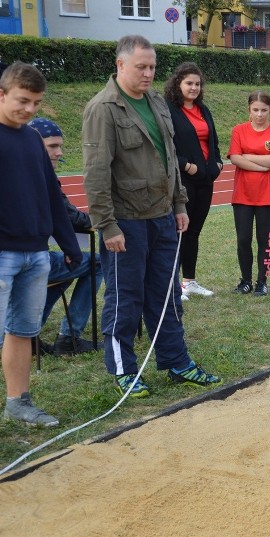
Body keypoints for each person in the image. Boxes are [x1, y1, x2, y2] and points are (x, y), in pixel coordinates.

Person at [83, 35, 220, 398]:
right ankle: (125, 370)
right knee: (125, 298)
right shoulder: (103, 109)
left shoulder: (158, 103)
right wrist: (107, 226)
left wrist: (179, 204)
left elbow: (169, 160)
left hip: (162, 217)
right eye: (141, 67)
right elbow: (96, 174)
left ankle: (177, 361)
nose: (148, 73)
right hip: (125, 222)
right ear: (120, 65)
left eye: (152, 67)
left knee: (168, 295)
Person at [0, 62, 82, 426]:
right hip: (2, 253)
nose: (30, 109)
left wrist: (68, 243)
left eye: (36, 102)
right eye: (22, 100)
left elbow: (52, 194)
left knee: (22, 330)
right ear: (2, 94)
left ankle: (18, 402)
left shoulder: (32, 138)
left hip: (35, 253)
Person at [28, 117, 103, 355]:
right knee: (95, 262)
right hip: (27, 260)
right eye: (52, 146)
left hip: (22, 257)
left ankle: (30, 333)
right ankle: (69, 336)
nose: (59, 152)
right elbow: (68, 217)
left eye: (59, 146)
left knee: (69, 263)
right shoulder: (39, 175)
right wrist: (104, 219)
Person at [164, 62, 224, 302]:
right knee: (179, 231)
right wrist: (186, 165)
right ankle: (172, 284)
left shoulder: (203, 109)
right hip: (183, 180)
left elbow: (214, 140)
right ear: (178, 83)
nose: (194, 88)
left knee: (194, 232)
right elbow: (165, 146)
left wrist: (218, 163)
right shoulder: (169, 110)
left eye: (197, 84)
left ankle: (189, 281)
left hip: (206, 179)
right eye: (189, 83)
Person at [228, 91, 270, 297]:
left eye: (264, 110)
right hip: (242, 194)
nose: (260, 114)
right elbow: (235, 157)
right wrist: (262, 164)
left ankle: (262, 282)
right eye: (256, 110)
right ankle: (245, 281)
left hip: (267, 195)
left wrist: (249, 157)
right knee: (243, 239)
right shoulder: (239, 131)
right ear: (249, 111)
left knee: (263, 239)